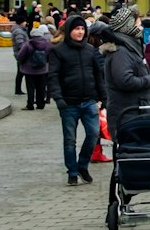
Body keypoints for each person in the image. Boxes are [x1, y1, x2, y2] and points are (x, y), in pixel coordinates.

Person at [48, 15, 106, 185]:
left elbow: (97, 75)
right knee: (69, 140)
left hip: (89, 101)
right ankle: (72, 171)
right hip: (68, 102)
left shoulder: (90, 50)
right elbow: (53, 76)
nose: (80, 32)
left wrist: (103, 97)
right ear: (69, 31)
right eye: (76, 29)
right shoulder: (58, 51)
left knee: (93, 133)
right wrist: (58, 97)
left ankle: (83, 165)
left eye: (82, 29)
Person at [17, 24, 53, 110]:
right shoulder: (47, 44)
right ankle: (41, 104)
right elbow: (50, 55)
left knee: (30, 88)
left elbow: (20, 55)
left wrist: (22, 63)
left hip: (29, 70)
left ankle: (30, 104)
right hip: (43, 69)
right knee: (41, 87)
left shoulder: (28, 44)